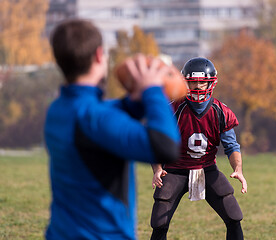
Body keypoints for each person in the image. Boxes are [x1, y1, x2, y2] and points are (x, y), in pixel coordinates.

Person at [44, 19, 180, 240]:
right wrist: (154, 91)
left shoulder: (58, 109)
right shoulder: (95, 118)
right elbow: (165, 146)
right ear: (99, 56)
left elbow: (103, 115)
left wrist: (133, 102)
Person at [150, 57, 248, 240]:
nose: (197, 86)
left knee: (234, 217)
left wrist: (238, 169)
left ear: (211, 83)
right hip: (175, 170)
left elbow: (231, 146)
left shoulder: (220, 111)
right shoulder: (174, 110)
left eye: (202, 82)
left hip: (207, 169)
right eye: (192, 82)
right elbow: (157, 144)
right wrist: (157, 169)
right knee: (159, 223)